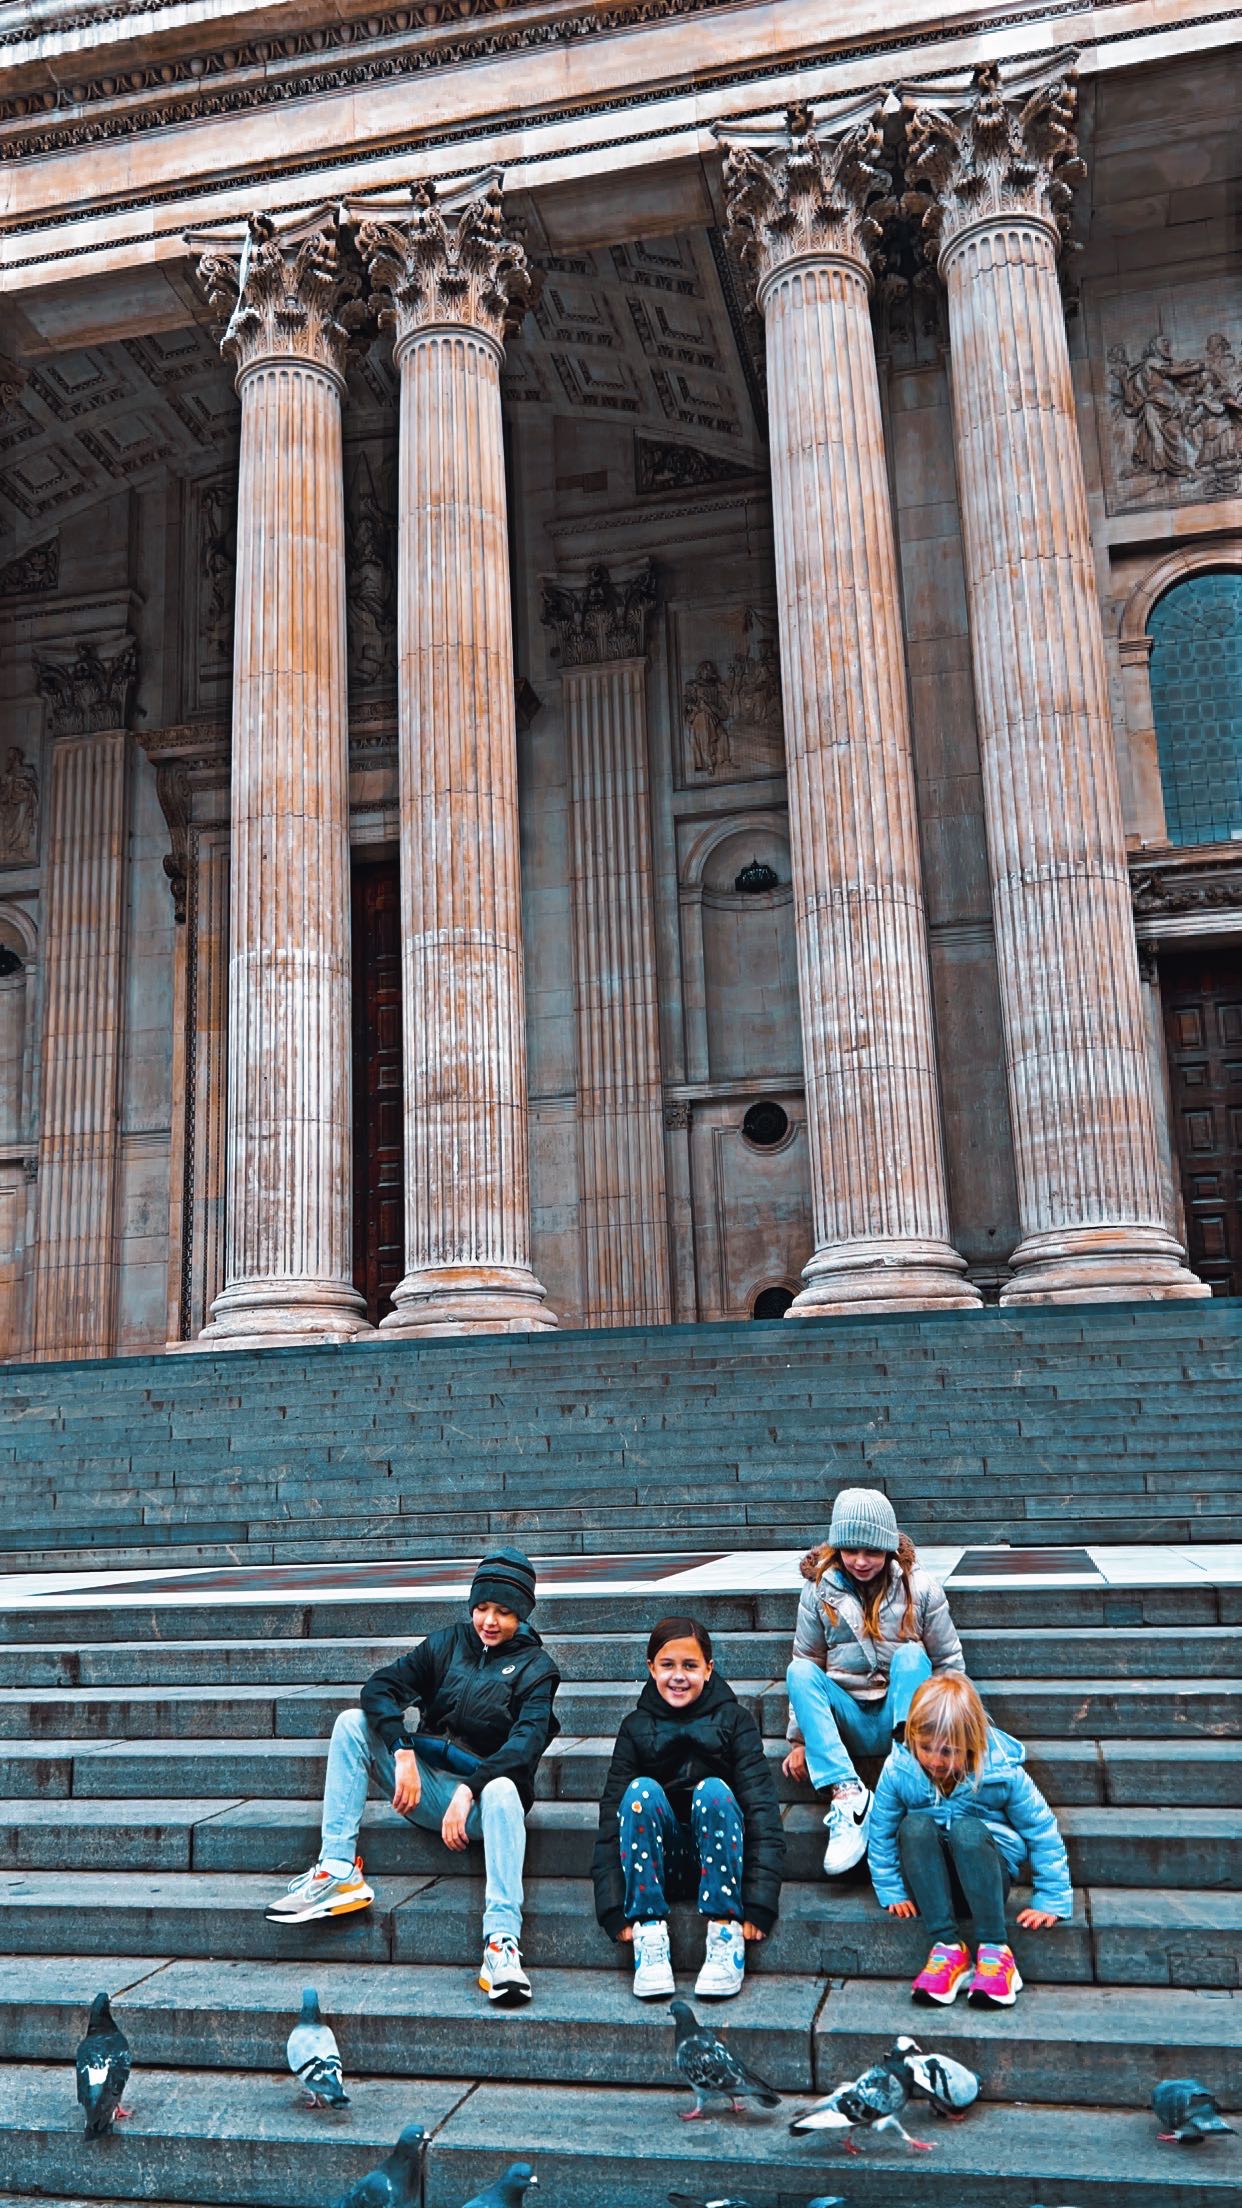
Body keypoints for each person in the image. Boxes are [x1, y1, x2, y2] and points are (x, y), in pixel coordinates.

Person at [265, 1546, 559, 2007]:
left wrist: (470, 1790)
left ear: (521, 1614)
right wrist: (401, 1750)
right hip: (424, 1788)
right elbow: (379, 1687)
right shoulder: (447, 1644)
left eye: (503, 1612)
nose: (489, 1621)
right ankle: (338, 1869)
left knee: (504, 1789)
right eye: (482, 1607)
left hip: (484, 1808)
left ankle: (501, 1943)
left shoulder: (537, 1670)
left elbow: (524, 1747)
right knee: (352, 1723)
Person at [592, 1615, 784, 2001]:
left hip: (721, 1862)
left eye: (690, 1665)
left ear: (708, 1669)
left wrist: (758, 1902)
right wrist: (613, 1907)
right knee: (639, 1793)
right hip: (659, 1864)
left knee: (713, 1791)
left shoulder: (735, 1721)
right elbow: (612, 1818)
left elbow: (762, 1809)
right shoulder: (634, 1727)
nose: (678, 1676)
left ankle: (725, 1931)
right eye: (667, 1665)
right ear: (651, 1668)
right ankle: (649, 1933)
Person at [783, 1486, 963, 1876]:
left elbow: (949, 1664)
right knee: (799, 1671)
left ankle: (908, 1774)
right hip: (845, 1719)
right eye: (850, 1550)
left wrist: (957, 1731)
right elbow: (807, 1658)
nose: (861, 1561)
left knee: (913, 1656)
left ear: (889, 1549)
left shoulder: (921, 1588)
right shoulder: (818, 1590)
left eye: (873, 1551)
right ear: (837, 1549)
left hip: (901, 1720)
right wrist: (800, 1740)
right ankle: (849, 1795)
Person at [868, 1672, 1073, 2008]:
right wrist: (891, 1888)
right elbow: (881, 1830)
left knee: (967, 1831)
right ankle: (948, 1950)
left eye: (948, 1751)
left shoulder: (1001, 1771)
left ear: (972, 1742)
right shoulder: (900, 1769)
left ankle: (995, 1951)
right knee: (914, 1826)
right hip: (932, 1885)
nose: (934, 1761)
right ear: (911, 1737)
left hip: (987, 1879)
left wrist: (1051, 1897)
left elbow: (1041, 1829)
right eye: (925, 1748)